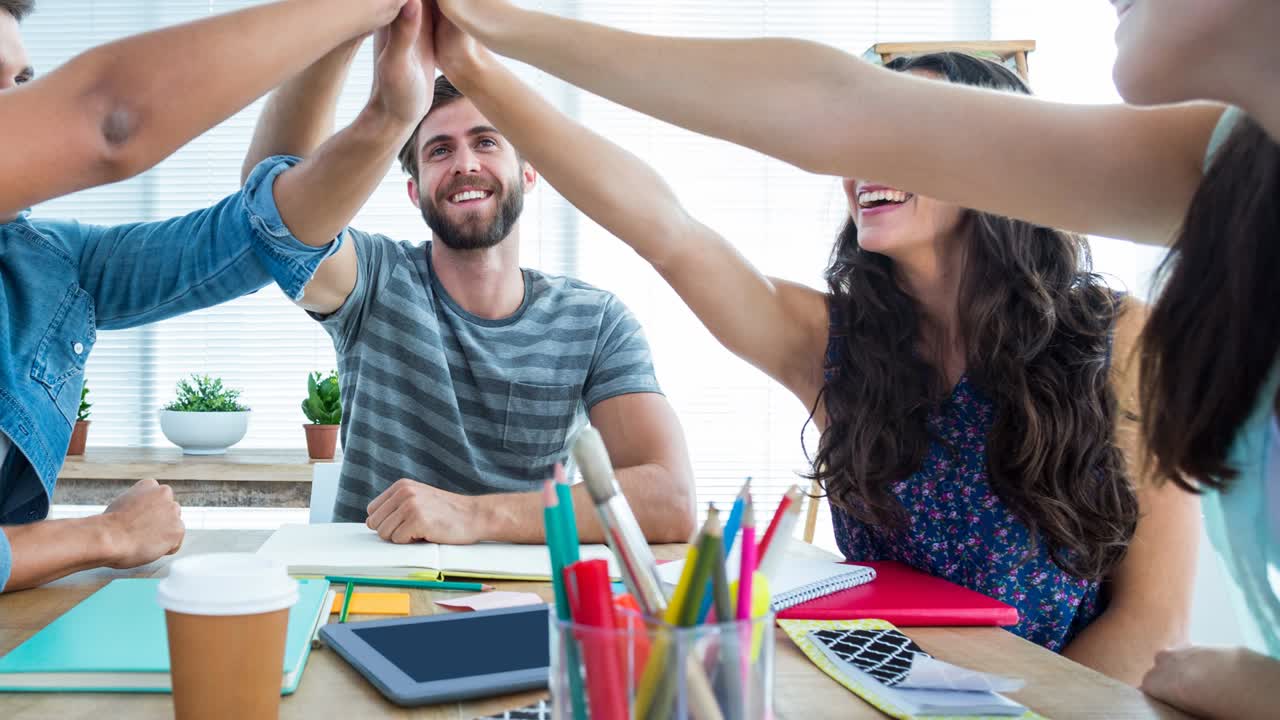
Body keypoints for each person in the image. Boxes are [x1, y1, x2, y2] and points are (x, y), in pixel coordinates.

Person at [434, 0, 1280, 715]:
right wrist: (486, 73)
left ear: (1000, 167)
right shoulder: (832, 345)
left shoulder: (1120, 338)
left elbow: (1152, 623)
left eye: (909, 135)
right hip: (859, 696)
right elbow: (667, 227)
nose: (858, 163)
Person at [0, 0, 428, 593]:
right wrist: (105, 535)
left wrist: (387, 114)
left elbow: (263, 233)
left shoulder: (44, 261)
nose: (21, 110)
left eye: (21, 83)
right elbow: (112, 119)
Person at [237, 62, 695, 545]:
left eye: (487, 142)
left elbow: (671, 500)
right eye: (439, 150)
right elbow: (273, 222)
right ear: (415, 192)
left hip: (522, 595)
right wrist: (341, 28)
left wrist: (475, 516)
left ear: (529, 171)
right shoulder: (374, 279)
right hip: (371, 590)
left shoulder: (596, 321)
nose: (465, 164)